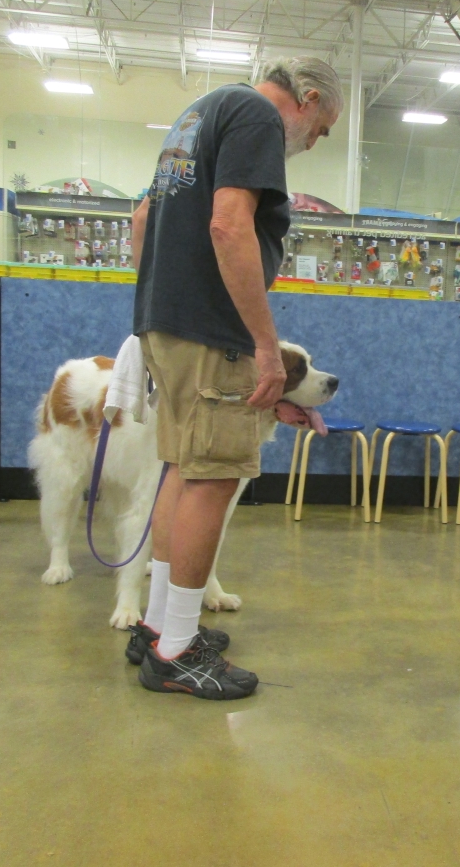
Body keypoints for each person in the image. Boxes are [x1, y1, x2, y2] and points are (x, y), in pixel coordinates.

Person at [126, 57, 342, 699]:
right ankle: (176, 651)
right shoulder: (255, 116)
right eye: (322, 128)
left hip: (169, 324)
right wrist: (265, 346)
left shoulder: (199, 114)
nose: (314, 142)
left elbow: (142, 221)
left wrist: (155, 307)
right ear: (306, 98)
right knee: (214, 477)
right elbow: (228, 225)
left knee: (182, 469)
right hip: (211, 332)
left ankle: (158, 626)